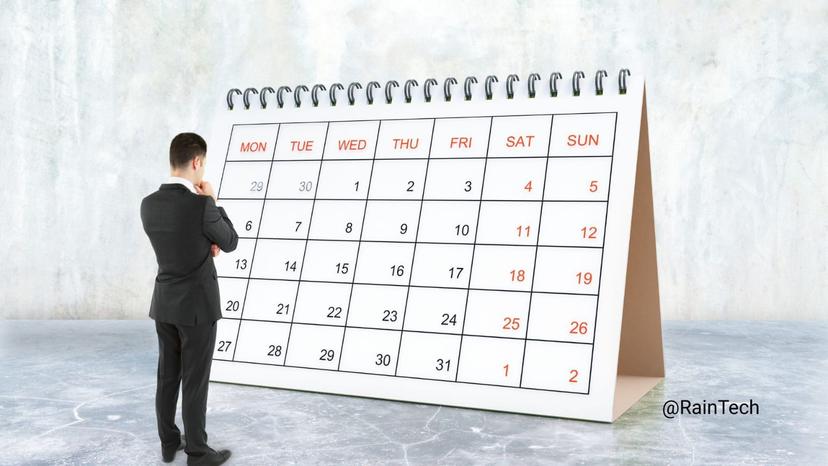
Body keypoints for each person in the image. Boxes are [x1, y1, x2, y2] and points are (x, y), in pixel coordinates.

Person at [140, 132, 238, 465]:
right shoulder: (200, 205)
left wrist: (203, 242)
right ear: (196, 162)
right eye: (203, 165)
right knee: (194, 380)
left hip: (164, 303)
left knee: (168, 376)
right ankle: (197, 451)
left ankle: (169, 442)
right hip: (196, 307)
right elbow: (230, 241)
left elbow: (178, 242)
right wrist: (213, 200)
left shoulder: (148, 204)